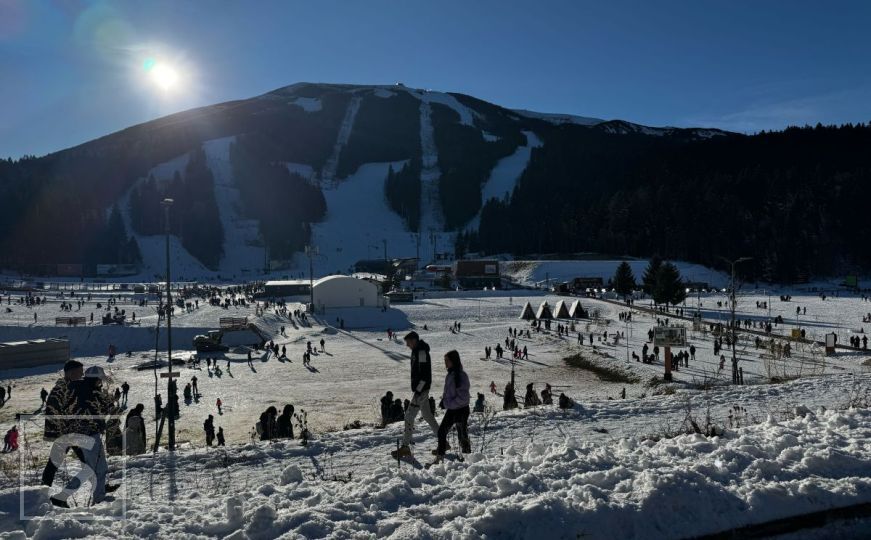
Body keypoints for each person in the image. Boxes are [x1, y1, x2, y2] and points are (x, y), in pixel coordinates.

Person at [391, 331, 439, 459]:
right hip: (421, 389)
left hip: (421, 390)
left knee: (408, 416)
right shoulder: (417, 351)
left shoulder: (421, 352)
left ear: (414, 340)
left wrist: (418, 390)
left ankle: (405, 447)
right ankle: (443, 442)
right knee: (427, 416)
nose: (407, 345)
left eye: (408, 342)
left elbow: (424, 373)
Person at [42, 360, 84, 488]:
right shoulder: (60, 390)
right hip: (66, 432)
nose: (81, 375)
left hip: (71, 432)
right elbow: (53, 412)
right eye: (79, 372)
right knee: (54, 463)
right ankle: (45, 490)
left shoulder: (71, 386)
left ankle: (44, 489)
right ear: (70, 373)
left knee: (89, 461)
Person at [433, 350, 471, 461]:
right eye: (444, 360)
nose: (445, 362)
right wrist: (444, 401)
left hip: (461, 409)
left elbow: (464, 398)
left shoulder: (461, 376)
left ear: (453, 360)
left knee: (462, 436)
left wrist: (448, 403)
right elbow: (450, 392)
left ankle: (468, 459)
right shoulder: (450, 374)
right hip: (454, 409)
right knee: (444, 432)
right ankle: (441, 457)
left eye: (447, 360)